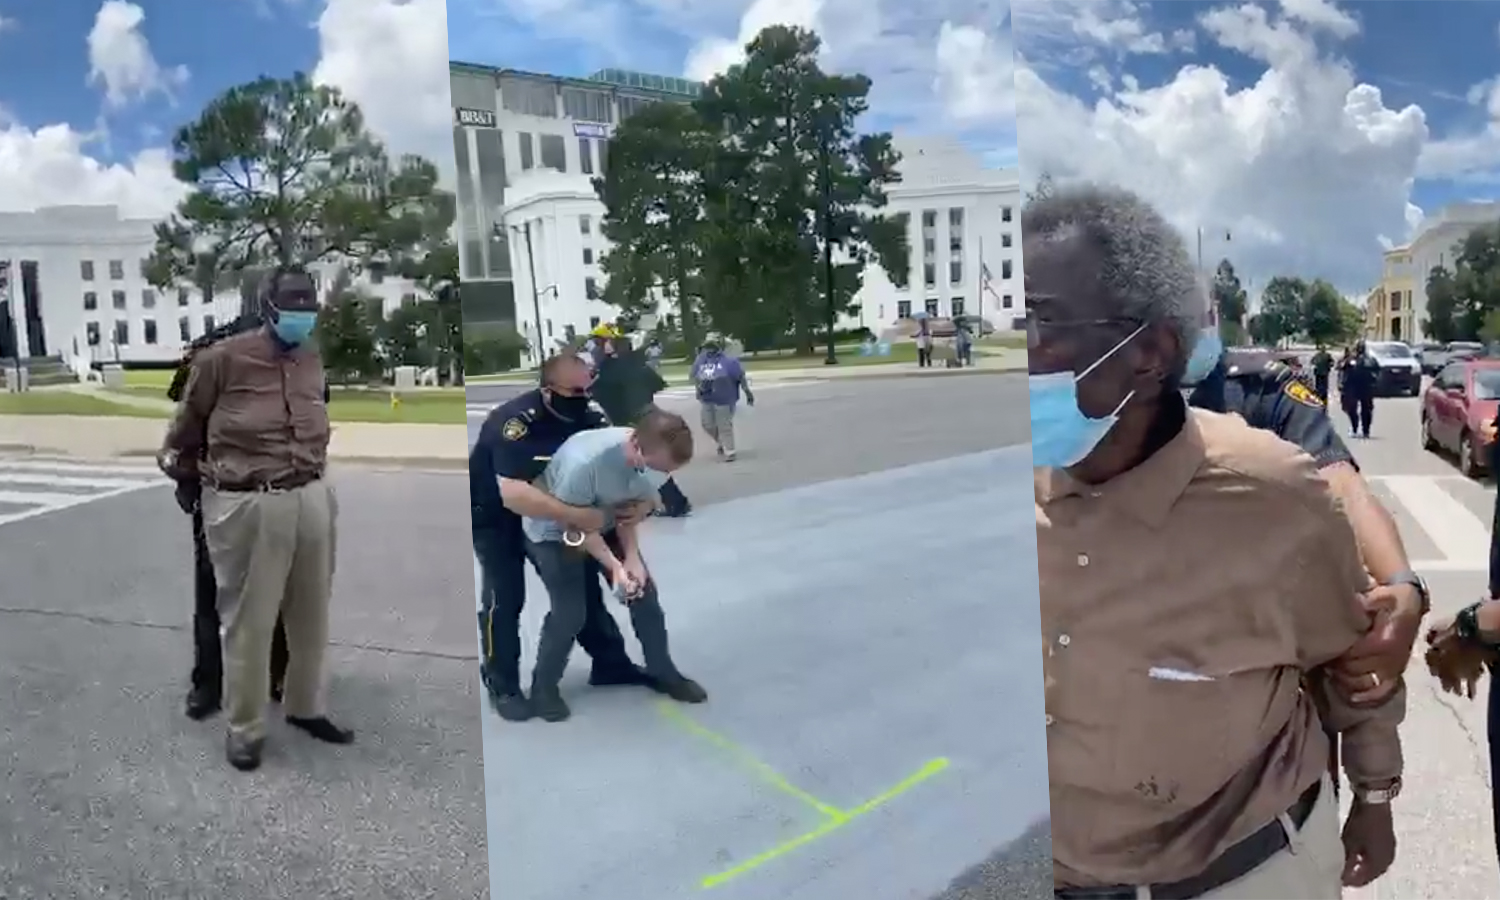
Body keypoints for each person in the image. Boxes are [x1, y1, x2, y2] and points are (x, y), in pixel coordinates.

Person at [1030, 185, 1403, 898]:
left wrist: (1375, 792)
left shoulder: (1268, 492)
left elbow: (1354, 660)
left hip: (1239, 872)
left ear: (1153, 351)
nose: (1016, 348)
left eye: (1042, 319)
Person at [159, 268, 351, 771]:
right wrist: (188, 482)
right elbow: (183, 431)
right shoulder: (219, 359)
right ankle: (244, 729)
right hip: (248, 500)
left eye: (309, 306)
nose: (302, 314)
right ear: (268, 306)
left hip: (310, 494)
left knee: (311, 615)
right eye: (293, 305)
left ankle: (306, 706)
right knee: (249, 621)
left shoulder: (311, 357)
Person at [471, 354, 663, 723]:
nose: (584, 396)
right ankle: (503, 685)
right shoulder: (515, 423)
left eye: (588, 386)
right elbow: (514, 493)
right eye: (576, 390)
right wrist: (577, 516)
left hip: (554, 515)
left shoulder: (592, 414)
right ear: (548, 390)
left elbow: (616, 470)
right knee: (504, 599)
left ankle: (610, 664)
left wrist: (640, 505)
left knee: (580, 588)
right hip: (497, 516)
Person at [520, 408, 708, 722]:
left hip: (605, 520)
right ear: (635, 445)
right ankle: (543, 689)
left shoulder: (658, 458)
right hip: (555, 531)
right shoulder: (586, 463)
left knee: (643, 593)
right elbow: (575, 526)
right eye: (654, 468)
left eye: (665, 472)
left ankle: (663, 672)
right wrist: (614, 567)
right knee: (570, 612)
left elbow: (628, 510)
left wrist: (631, 559)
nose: (658, 476)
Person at [165, 315, 291, 721]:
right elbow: (184, 422)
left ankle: (236, 682)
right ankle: (216, 683)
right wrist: (187, 481)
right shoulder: (211, 352)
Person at [691, 339, 755, 462]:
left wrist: (747, 392)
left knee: (724, 425)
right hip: (707, 398)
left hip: (725, 397)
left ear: (716, 349)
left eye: (709, 348)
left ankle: (730, 451)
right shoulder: (700, 360)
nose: (706, 351)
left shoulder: (729, 361)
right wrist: (697, 389)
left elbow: (740, 377)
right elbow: (695, 376)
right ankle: (722, 441)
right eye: (705, 348)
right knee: (707, 425)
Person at [1340, 341, 1379, 438]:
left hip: (1366, 386)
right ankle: (1354, 427)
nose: (1360, 349)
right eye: (1358, 347)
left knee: (1367, 409)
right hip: (1352, 386)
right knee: (1351, 408)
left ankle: (1366, 430)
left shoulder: (1369, 359)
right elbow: (1341, 368)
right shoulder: (1350, 359)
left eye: (1361, 347)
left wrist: (1373, 379)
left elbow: (1377, 370)